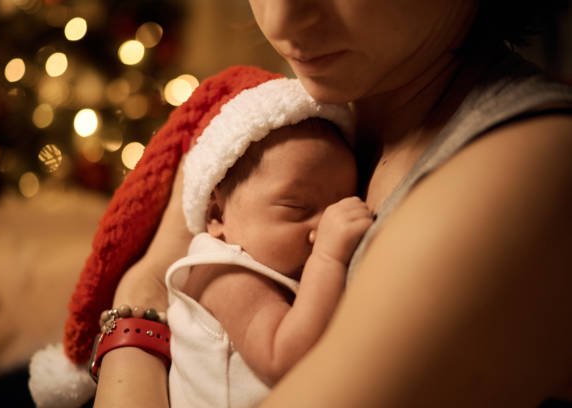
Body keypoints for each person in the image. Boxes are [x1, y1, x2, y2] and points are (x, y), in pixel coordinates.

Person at [75, 1, 572, 407]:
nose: (279, 19)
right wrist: (142, 297)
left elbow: (159, 279)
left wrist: (138, 299)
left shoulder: (526, 169)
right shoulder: (279, 119)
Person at [166, 104, 372, 405]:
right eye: (297, 208)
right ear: (217, 215)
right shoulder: (226, 274)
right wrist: (327, 258)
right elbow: (284, 358)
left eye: (340, 206)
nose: (326, 228)